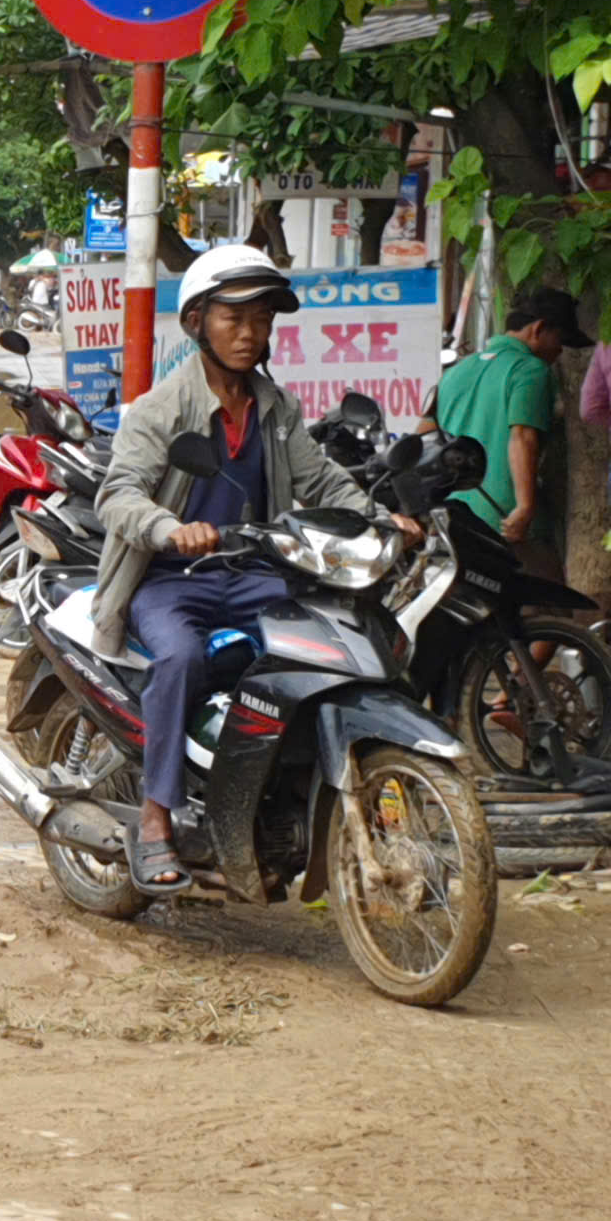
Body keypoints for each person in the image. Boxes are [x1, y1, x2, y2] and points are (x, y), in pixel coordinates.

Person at [93, 244, 411, 896]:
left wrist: (381, 516)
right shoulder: (161, 408)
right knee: (179, 659)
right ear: (197, 324)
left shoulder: (275, 406)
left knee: (330, 648)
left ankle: (278, 789)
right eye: (233, 319)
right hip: (172, 582)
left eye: (261, 319)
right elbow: (118, 494)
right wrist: (169, 528)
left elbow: (318, 477)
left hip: (257, 575)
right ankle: (156, 818)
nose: (249, 333)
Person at [430, 286, 588, 577]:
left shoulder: (455, 372)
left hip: (456, 518)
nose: (559, 350)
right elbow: (523, 436)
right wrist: (524, 507)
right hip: (507, 519)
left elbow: (426, 432)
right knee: (546, 610)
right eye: (560, 339)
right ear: (539, 329)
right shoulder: (530, 370)